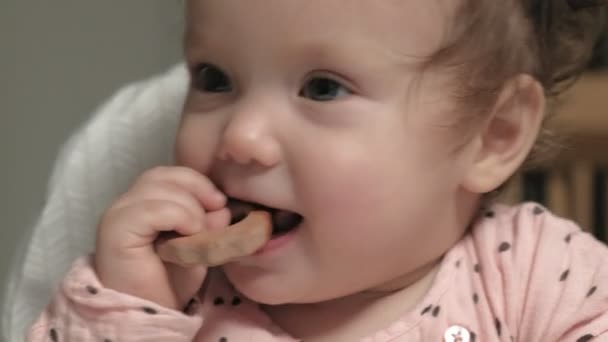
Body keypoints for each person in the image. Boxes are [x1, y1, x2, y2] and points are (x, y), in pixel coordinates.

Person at [26, 0, 608, 341]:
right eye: (213, 79)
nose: (241, 136)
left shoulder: (534, 273)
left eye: (323, 88)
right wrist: (129, 303)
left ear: (492, 136)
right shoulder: (173, 306)